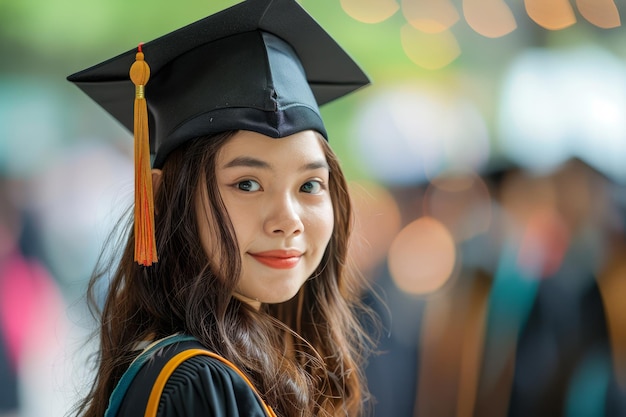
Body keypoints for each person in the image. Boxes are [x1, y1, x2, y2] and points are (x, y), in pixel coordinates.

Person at [67, 0, 374, 416]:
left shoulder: (242, 365)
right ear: (162, 198)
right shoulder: (197, 381)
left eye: (309, 185)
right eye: (247, 183)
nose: (288, 221)